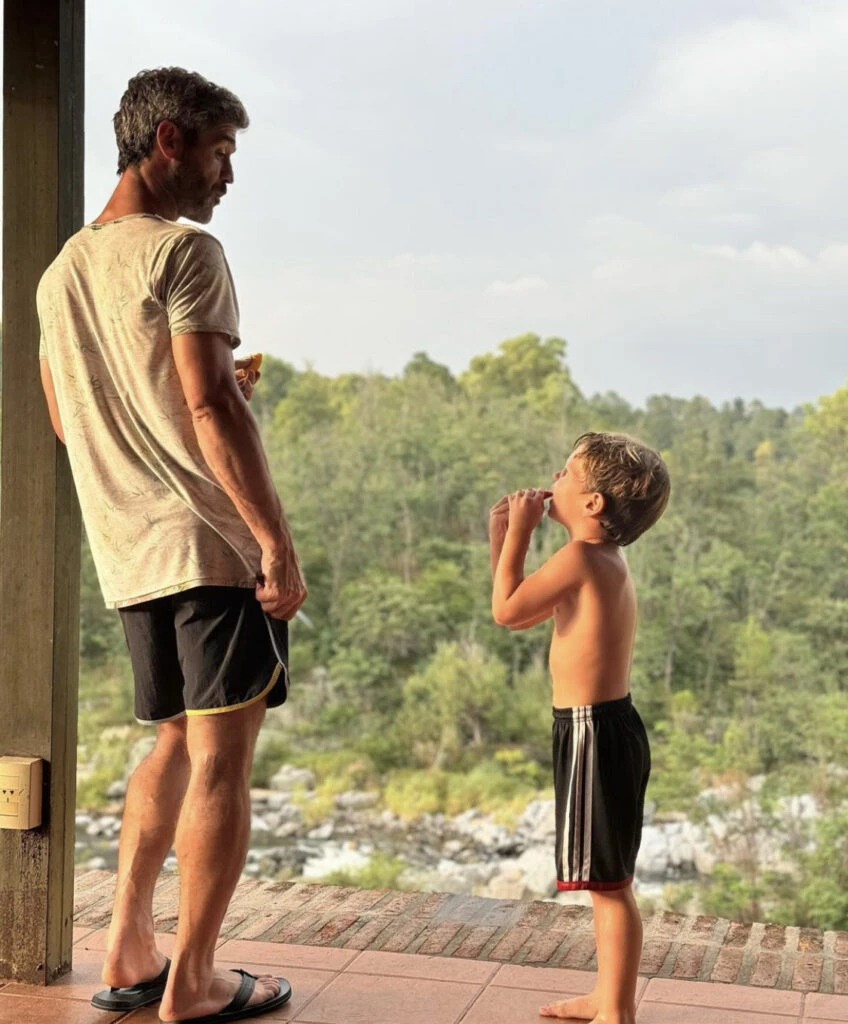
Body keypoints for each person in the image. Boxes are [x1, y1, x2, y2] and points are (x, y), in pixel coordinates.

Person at [37, 68, 307, 1023]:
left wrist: (217, 386)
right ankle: (192, 981)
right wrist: (272, 539)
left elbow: (74, 424)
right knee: (224, 763)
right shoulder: (189, 253)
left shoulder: (62, 272)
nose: (228, 175)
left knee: (172, 744)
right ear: (168, 141)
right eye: (222, 151)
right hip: (210, 547)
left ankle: (128, 947)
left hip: (130, 552)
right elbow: (205, 401)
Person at [490, 432, 670, 1024]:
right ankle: (608, 995)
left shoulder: (580, 559)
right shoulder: (597, 560)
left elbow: (506, 611)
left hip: (593, 730)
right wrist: (504, 537)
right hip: (602, 727)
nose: (554, 480)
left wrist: (519, 533)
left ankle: (616, 1011)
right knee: (604, 879)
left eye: (565, 474)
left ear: (592, 503)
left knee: (609, 884)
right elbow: (524, 609)